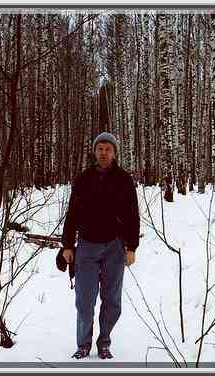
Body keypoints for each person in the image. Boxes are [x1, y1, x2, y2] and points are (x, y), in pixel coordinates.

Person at [62, 132, 140, 360]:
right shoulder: (83, 179)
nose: (103, 153)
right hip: (86, 245)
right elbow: (72, 213)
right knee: (85, 300)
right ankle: (83, 344)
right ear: (94, 152)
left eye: (108, 149)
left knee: (112, 300)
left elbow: (132, 215)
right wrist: (67, 244)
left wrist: (131, 247)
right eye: (100, 149)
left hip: (114, 247)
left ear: (114, 153)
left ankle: (104, 342)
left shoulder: (124, 179)